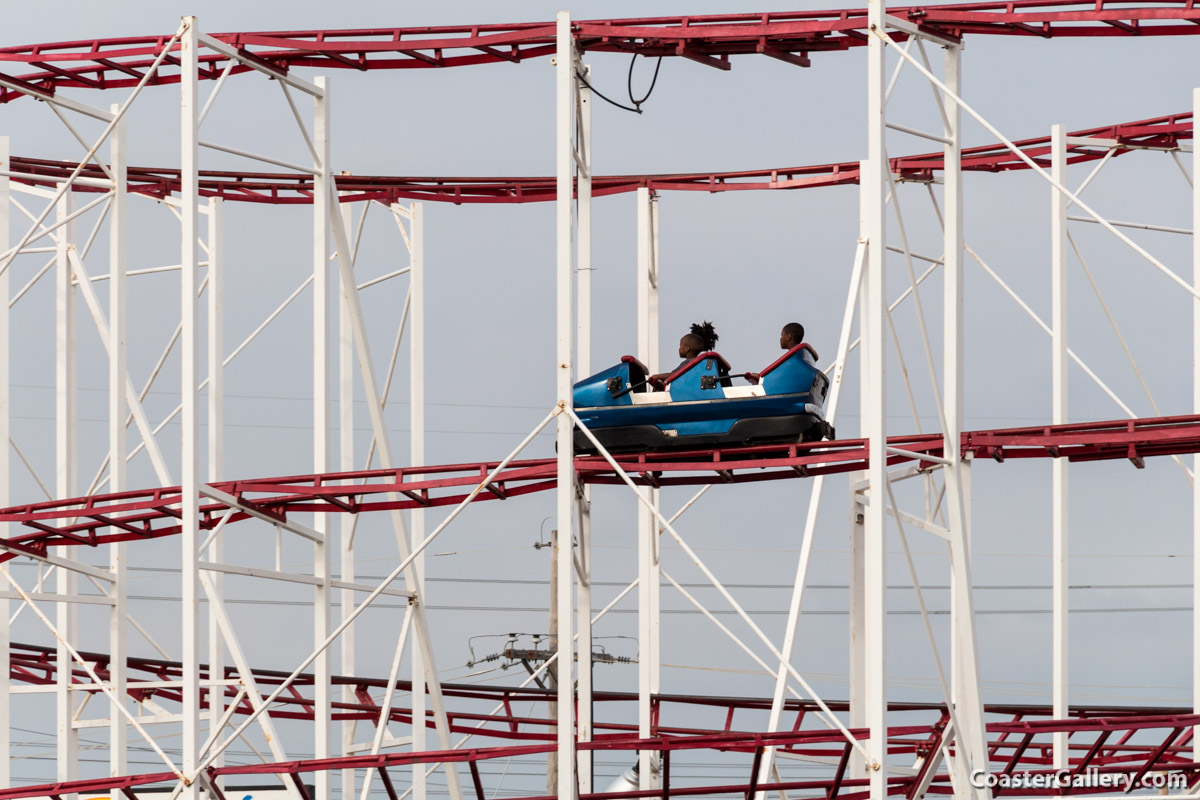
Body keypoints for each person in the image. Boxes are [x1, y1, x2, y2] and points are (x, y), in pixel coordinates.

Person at [650, 321, 719, 385]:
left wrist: (656, 376)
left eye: (680, 345)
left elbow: (674, 374)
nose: (679, 348)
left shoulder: (688, 363)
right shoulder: (701, 363)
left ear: (687, 349)